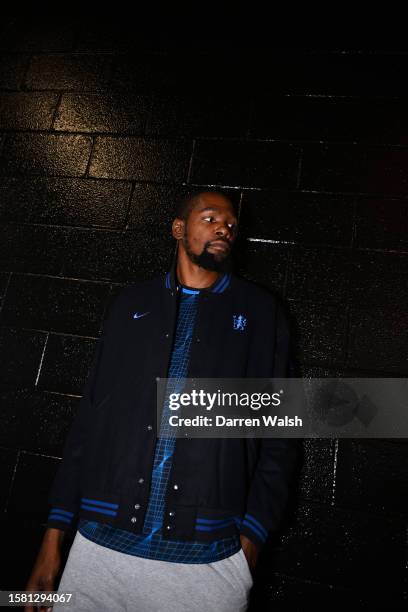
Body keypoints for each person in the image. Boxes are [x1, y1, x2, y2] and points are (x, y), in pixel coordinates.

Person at [25, 189, 298, 612]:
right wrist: (53, 537)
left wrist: (251, 542)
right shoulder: (129, 304)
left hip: (207, 564)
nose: (224, 227)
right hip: (98, 551)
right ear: (178, 229)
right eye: (210, 218)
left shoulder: (262, 312)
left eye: (231, 224)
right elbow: (89, 422)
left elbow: (279, 435)